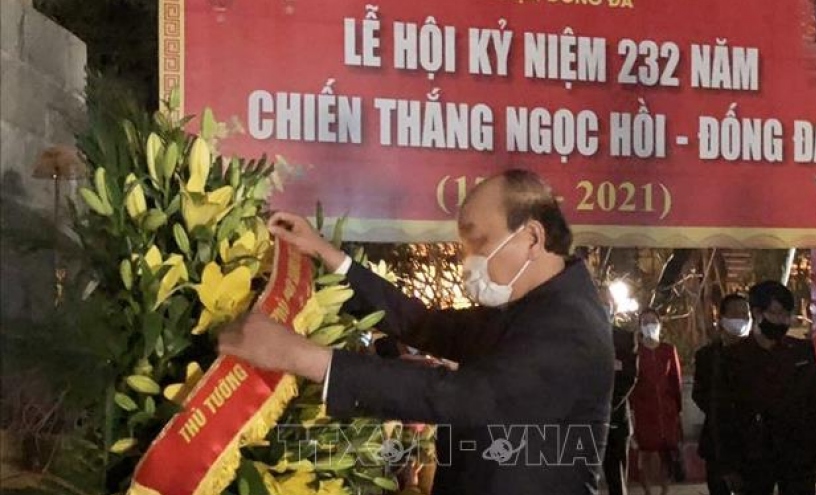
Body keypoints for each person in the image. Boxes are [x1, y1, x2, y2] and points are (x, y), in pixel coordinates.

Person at [219, 169, 615, 495]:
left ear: (531, 238)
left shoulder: (570, 326)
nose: (468, 261)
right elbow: (426, 325)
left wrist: (304, 357)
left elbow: (466, 396)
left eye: (479, 241)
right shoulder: (530, 305)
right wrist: (329, 256)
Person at [715, 281, 816, 495]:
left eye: (786, 315)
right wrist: (728, 465)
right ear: (757, 313)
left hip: (797, 455)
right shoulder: (733, 358)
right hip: (752, 457)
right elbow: (722, 414)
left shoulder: (801, 352)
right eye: (776, 314)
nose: (782, 321)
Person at [692, 294, 751, 495]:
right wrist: (721, 411)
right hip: (717, 441)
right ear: (722, 318)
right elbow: (699, 393)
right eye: (735, 314)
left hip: (752, 443)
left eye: (745, 314)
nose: (741, 319)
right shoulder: (707, 356)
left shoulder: (758, 354)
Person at [629, 308, 682, 495]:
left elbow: (675, 380)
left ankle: (665, 490)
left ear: (660, 324)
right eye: (645, 322)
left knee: (666, 453)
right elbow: (631, 384)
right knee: (646, 452)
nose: (650, 325)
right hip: (644, 410)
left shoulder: (668, 350)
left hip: (666, 410)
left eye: (653, 321)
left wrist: (678, 409)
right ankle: (647, 491)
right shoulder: (636, 352)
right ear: (640, 326)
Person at [603, 322, 639, 495]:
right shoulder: (576, 333)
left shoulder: (624, 338)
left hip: (615, 419)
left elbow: (629, 377)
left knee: (616, 480)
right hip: (581, 421)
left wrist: (606, 408)